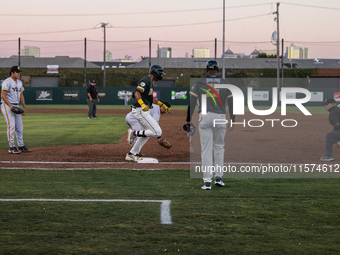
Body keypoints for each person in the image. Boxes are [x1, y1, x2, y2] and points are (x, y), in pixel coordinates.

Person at [186, 60, 235, 190]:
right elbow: (231, 103)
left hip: (205, 117)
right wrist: (233, 119)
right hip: (220, 118)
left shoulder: (199, 82)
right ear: (217, 70)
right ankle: (218, 178)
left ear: (206, 70)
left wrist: (188, 119)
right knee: (219, 147)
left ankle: (207, 182)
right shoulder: (225, 83)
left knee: (206, 150)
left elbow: (191, 102)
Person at [125, 65, 170, 161]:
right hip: (140, 110)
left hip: (142, 110)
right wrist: (142, 104)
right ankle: (134, 132)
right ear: (155, 73)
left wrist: (162, 104)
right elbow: (137, 92)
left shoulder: (151, 82)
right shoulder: (146, 80)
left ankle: (131, 154)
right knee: (157, 131)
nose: (161, 76)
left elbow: (151, 99)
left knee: (146, 135)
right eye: (160, 73)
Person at [1, 66, 31, 154]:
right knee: (12, 126)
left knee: (19, 127)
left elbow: (21, 96)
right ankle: (12, 146)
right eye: (17, 72)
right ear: (12, 73)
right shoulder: (7, 82)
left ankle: (21, 145)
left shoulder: (20, 82)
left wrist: (24, 108)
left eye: (19, 72)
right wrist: (10, 106)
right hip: (7, 105)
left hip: (16, 105)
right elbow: (3, 95)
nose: (18, 73)